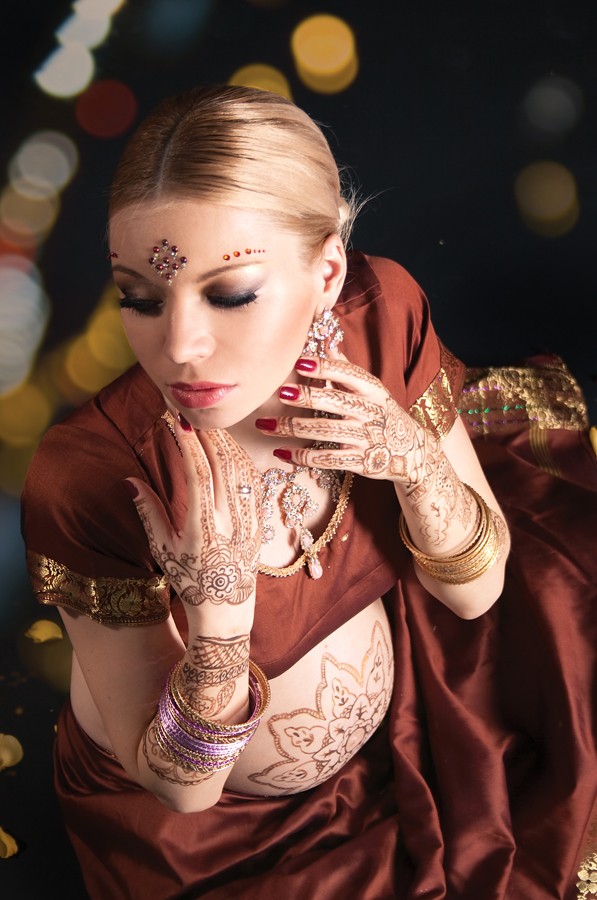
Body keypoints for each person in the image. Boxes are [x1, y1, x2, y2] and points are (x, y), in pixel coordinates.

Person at [21, 85, 596, 899]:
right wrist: (219, 620)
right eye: (139, 298)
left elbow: (474, 594)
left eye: (229, 294)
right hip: (212, 847)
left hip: (409, 740)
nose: (180, 346)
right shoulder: (92, 474)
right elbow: (182, 790)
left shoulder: (377, 321)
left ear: (327, 272)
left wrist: (414, 465)